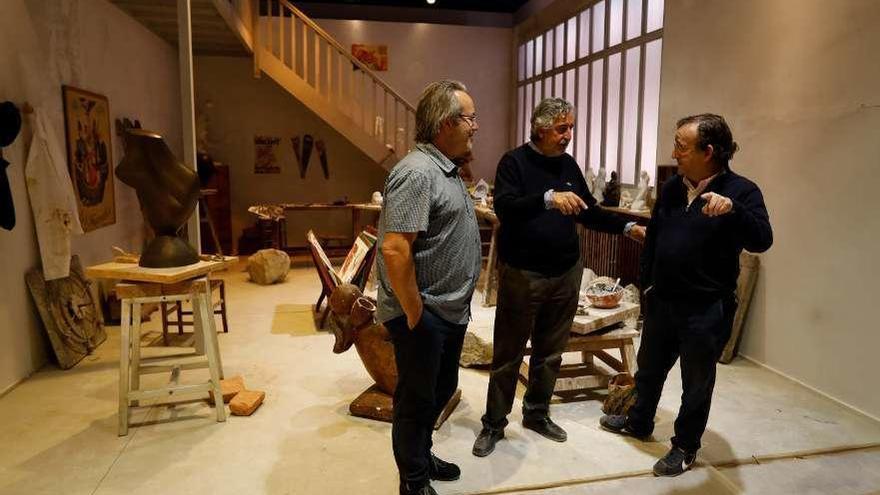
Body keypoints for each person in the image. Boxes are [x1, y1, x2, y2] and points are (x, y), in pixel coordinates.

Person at [599, 114, 773, 476]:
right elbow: (656, 237)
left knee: (696, 383)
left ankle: (685, 446)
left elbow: (762, 239)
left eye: (681, 145)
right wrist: (647, 285)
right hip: (663, 299)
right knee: (648, 370)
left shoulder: (742, 192)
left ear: (708, 151)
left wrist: (733, 211)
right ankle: (639, 420)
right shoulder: (673, 188)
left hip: (706, 307)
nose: (673, 152)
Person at [472, 97, 646, 457]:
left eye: (570, 128)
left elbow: (589, 212)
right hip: (523, 273)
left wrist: (627, 226)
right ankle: (494, 423)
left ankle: (537, 413)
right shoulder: (514, 162)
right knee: (508, 352)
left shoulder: (568, 164)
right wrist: (548, 199)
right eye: (561, 128)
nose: (568, 135)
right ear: (539, 128)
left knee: (551, 352)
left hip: (566, 271)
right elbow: (505, 207)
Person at [376, 80, 482, 495]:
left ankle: (422, 455)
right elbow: (395, 249)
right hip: (425, 312)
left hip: (447, 309)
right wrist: (415, 312)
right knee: (416, 400)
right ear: (444, 123)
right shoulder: (417, 172)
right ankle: (413, 481)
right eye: (469, 117)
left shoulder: (446, 168)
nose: (476, 126)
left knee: (441, 389)